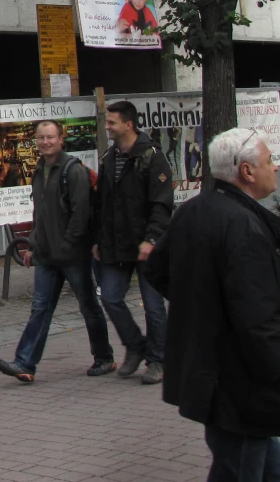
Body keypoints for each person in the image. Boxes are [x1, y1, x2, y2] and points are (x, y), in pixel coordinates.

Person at [143, 129, 280, 481]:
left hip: (217, 373)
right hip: (240, 380)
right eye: (269, 161)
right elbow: (256, 317)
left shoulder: (195, 210)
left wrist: (201, 305)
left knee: (271, 472)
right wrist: (279, 371)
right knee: (239, 467)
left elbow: (158, 270)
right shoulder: (244, 227)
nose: (276, 167)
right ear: (246, 172)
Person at [0, 120, 116, 384]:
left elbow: (80, 214)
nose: (45, 142)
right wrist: (33, 246)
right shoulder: (39, 171)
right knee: (40, 309)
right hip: (48, 256)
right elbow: (41, 214)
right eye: (41, 138)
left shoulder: (73, 171)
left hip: (73, 256)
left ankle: (104, 357)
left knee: (89, 307)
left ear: (61, 139)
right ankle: (25, 364)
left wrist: (67, 245)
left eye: (50, 137)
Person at [92, 100, 173, 384]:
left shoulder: (151, 157)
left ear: (128, 124)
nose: (108, 127)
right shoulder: (108, 157)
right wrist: (98, 239)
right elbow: (102, 202)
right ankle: (136, 346)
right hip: (116, 244)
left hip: (147, 247)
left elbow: (162, 205)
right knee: (111, 297)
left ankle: (158, 361)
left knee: (153, 306)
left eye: (112, 122)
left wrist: (152, 239)